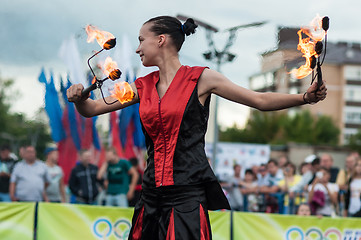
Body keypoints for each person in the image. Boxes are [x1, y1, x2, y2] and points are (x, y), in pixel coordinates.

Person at [67, 16, 327, 239]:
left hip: (186, 197)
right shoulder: (140, 86)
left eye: (141, 40)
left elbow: (259, 100)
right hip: (150, 198)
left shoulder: (202, 78)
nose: (137, 49)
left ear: (161, 40)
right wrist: (80, 99)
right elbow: (91, 110)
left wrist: (304, 97)